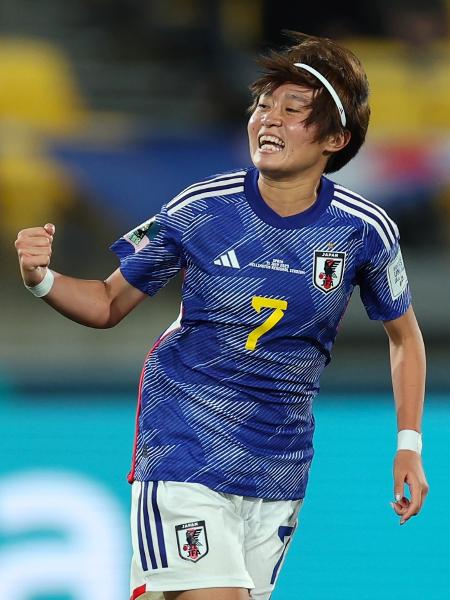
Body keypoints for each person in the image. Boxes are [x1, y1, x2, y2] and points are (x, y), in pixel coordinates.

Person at [15, 32, 429, 600]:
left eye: (293, 111)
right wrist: (42, 279)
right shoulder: (201, 209)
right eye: (262, 105)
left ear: (336, 137)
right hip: (185, 444)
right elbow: (108, 304)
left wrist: (409, 443)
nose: (269, 120)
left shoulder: (364, 230)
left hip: (279, 464)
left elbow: (404, 338)